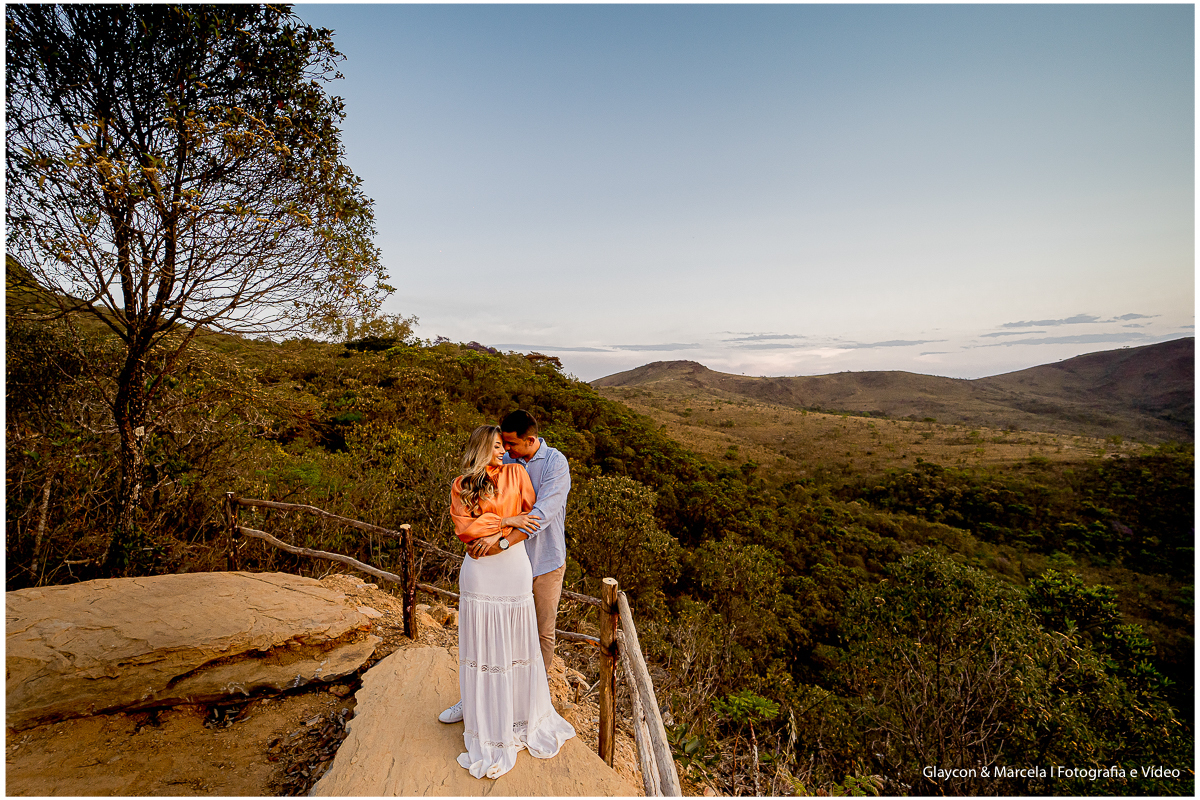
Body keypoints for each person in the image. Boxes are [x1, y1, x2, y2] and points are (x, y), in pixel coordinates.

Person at [443, 424, 575, 779]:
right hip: (479, 569)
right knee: (481, 641)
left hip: (512, 563)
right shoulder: (461, 484)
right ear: (483, 447)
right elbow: (464, 529)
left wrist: (500, 535)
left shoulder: (517, 474)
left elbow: (532, 517)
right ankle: (475, 709)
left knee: (521, 638)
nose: (505, 452)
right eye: (499, 446)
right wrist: (504, 520)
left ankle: (517, 711)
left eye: (507, 445)